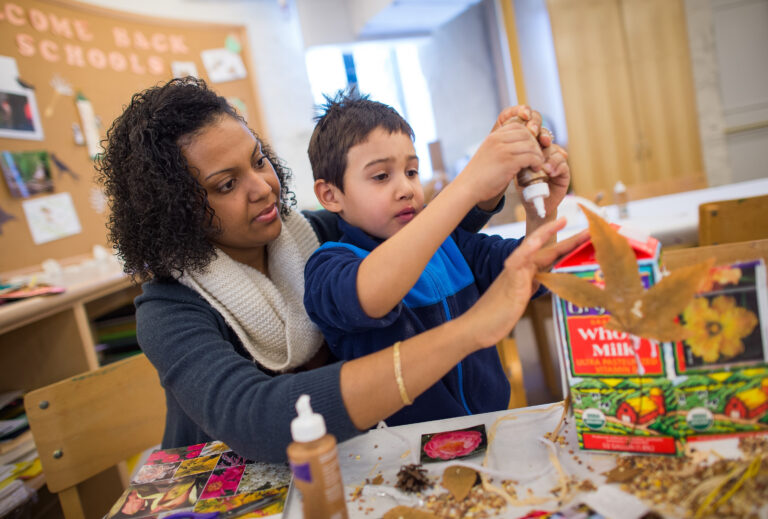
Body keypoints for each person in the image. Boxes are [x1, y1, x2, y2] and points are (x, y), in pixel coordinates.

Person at [97, 77, 583, 463]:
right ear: (174, 209)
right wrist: (469, 326)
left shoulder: (308, 232)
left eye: (258, 160)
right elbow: (261, 420)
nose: (264, 188)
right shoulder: (168, 310)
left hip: (350, 463)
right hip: (228, 486)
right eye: (226, 185)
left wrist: (501, 181)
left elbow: (412, 236)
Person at [304, 91, 571, 426]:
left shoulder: (449, 245)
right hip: (402, 455)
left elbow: (530, 272)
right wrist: (470, 184)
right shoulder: (329, 267)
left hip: (489, 427)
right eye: (381, 176)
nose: (406, 189)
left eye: (412, 171)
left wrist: (540, 210)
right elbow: (372, 296)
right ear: (331, 195)